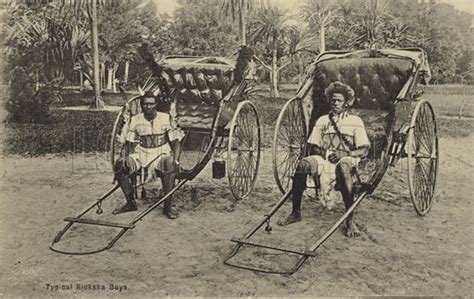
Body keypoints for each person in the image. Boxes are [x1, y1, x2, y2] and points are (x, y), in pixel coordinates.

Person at [278, 81, 370, 237]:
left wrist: (345, 155)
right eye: (333, 100)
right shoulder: (322, 121)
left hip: (348, 159)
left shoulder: (355, 121)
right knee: (303, 165)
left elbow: (364, 148)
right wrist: (326, 154)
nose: (335, 103)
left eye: (339, 100)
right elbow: (313, 145)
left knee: (343, 167)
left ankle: (350, 220)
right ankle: (295, 212)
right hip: (326, 158)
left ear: (347, 102)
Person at [113, 91, 184, 219]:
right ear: (141, 105)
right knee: (119, 165)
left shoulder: (165, 118)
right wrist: (123, 157)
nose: (148, 107)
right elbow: (128, 143)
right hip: (142, 153)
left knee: (169, 163)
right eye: (145, 104)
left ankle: (167, 208)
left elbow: (176, 142)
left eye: (151, 104)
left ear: (156, 104)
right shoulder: (135, 120)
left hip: (160, 153)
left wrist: (176, 161)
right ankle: (130, 203)